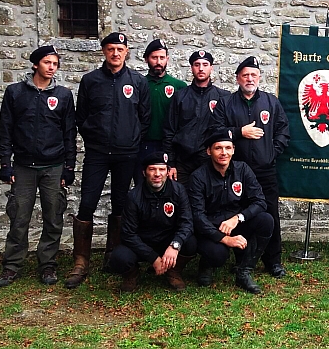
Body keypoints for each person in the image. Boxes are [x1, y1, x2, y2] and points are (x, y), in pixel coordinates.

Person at [67, 32, 151, 289]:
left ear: (127, 52)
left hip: (127, 154)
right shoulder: (90, 80)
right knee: (87, 203)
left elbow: (144, 118)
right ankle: (81, 260)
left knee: (121, 205)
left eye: (120, 49)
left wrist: (132, 139)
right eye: (111, 49)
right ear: (103, 51)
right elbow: (81, 117)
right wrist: (96, 137)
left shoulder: (137, 81)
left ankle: (113, 254)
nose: (116, 53)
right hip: (98, 153)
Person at [0, 45, 76, 287]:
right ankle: (11, 265)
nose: (51, 67)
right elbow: (5, 129)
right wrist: (5, 164)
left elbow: (69, 133)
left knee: (53, 218)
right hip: (23, 167)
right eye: (47, 63)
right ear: (35, 64)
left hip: (53, 166)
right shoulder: (15, 93)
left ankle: (48, 265)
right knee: (19, 217)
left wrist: (69, 167)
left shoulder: (63, 95)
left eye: (55, 64)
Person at [212, 56, 289, 278]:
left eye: (253, 75)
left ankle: (273, 261)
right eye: (245, 75)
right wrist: (239, 132)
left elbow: (283, 131)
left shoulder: (271, 102)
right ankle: (242, 261)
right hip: (236, 171)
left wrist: (272, 152)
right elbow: (214, 131)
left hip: (265, 171)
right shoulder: (226, 103)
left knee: (270, 214)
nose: (249, 78)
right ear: (237, 78)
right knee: (239, 215)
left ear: (259, 78)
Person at [190, 130, 274, 294]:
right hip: (210, 229)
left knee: (266, 220)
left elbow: (260, 201)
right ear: (209, 151)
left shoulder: (242, 169)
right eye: (218, 148)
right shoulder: (198, 177)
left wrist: (238, 218)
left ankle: (244, 271)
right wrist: (225, 239)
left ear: (234, 150)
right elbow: (197, 217)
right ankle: (207, 263)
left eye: (228, 148)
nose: (224, 153)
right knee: (218, 255)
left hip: (235, 222)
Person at [108, 152, 197, 292]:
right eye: (152, 169)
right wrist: (153, 258)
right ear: (144, 172)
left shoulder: (178, 190)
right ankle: (132, 274)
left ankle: (173, 271)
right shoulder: (133, 196)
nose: (157, 174)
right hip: (143, 242)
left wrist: (175, 245)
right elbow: (128, 234)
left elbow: (187, 223)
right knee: (119, 257)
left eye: (162, 169)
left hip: (168, 241)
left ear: (168, 172)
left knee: (191, 243)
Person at [162, 50, 229, 187]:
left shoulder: (223, 97)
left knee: (209, 203)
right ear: (191, 67)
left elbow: (226, 132)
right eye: (196, 64)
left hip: (210, 161)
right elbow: (169, 130)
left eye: (205, 64)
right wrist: (171, 163)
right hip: (182, 162)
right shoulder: (180, 96)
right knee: (181, 202)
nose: (201, 68)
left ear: (211, 67)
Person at [133, 39, 187, 187]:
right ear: (146, 59)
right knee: (142, 185)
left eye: (162, 58)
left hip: (170, 145)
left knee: (169, 187)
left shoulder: (179, 86)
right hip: (144, 144)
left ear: (167, 59)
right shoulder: (138, 84)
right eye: (154, 57)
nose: (158, 62)